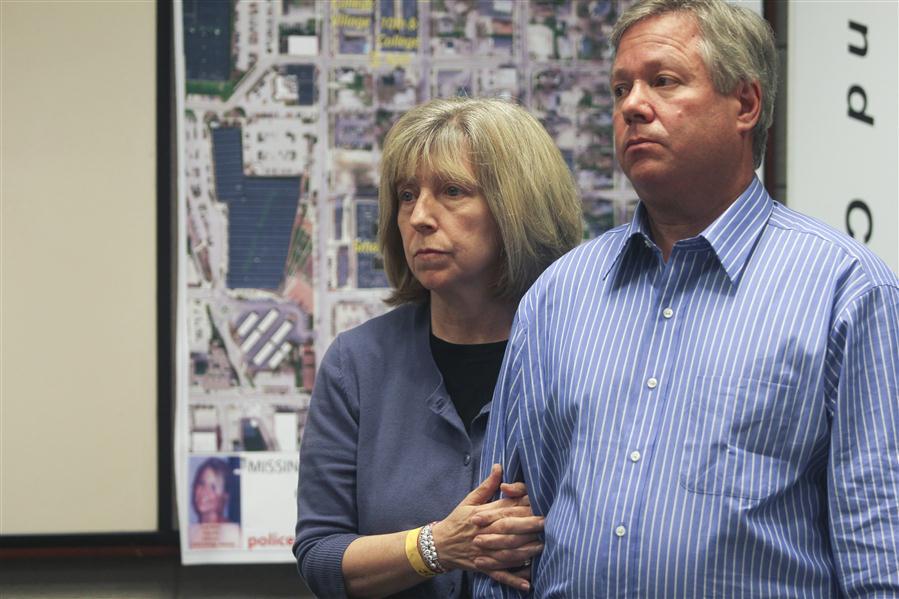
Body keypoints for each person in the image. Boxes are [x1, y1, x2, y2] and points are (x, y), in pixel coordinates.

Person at [475, 1, 899, 597]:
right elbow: (503, 541)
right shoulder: (558, 297)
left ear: (745, 104)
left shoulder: (845, 291)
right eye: (621, 88)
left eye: (663, 81)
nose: (632, 105)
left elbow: (878, 550)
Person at [293, 97, 583, 598]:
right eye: (407, 196)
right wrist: (435, 547)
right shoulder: (357, 363)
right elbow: (320, 557)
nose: (420, 217)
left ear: (518, 208)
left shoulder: (582, 354)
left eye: (452, 191)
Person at [189, 457, 240, 548]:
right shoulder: (190, 533)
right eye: (201, 483)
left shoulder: (234, 534)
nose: (204, 492)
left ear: (225, 495)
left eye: (213, 487)